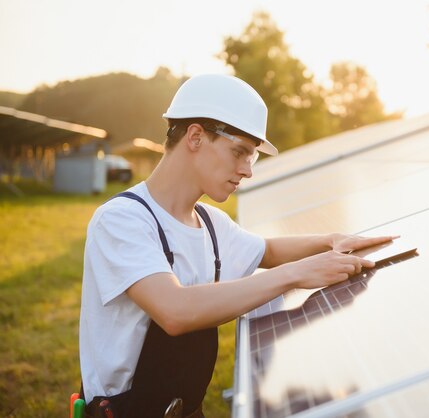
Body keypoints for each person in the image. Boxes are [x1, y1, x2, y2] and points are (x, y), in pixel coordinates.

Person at [79, 74, 394, 418]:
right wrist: (294, 275)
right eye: (239, 152)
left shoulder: (211, 224)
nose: (247, 170)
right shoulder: (122, 220)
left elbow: (269, 251)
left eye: (252, 157)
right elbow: (175, 311)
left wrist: (330, 241)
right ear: (196, 137)